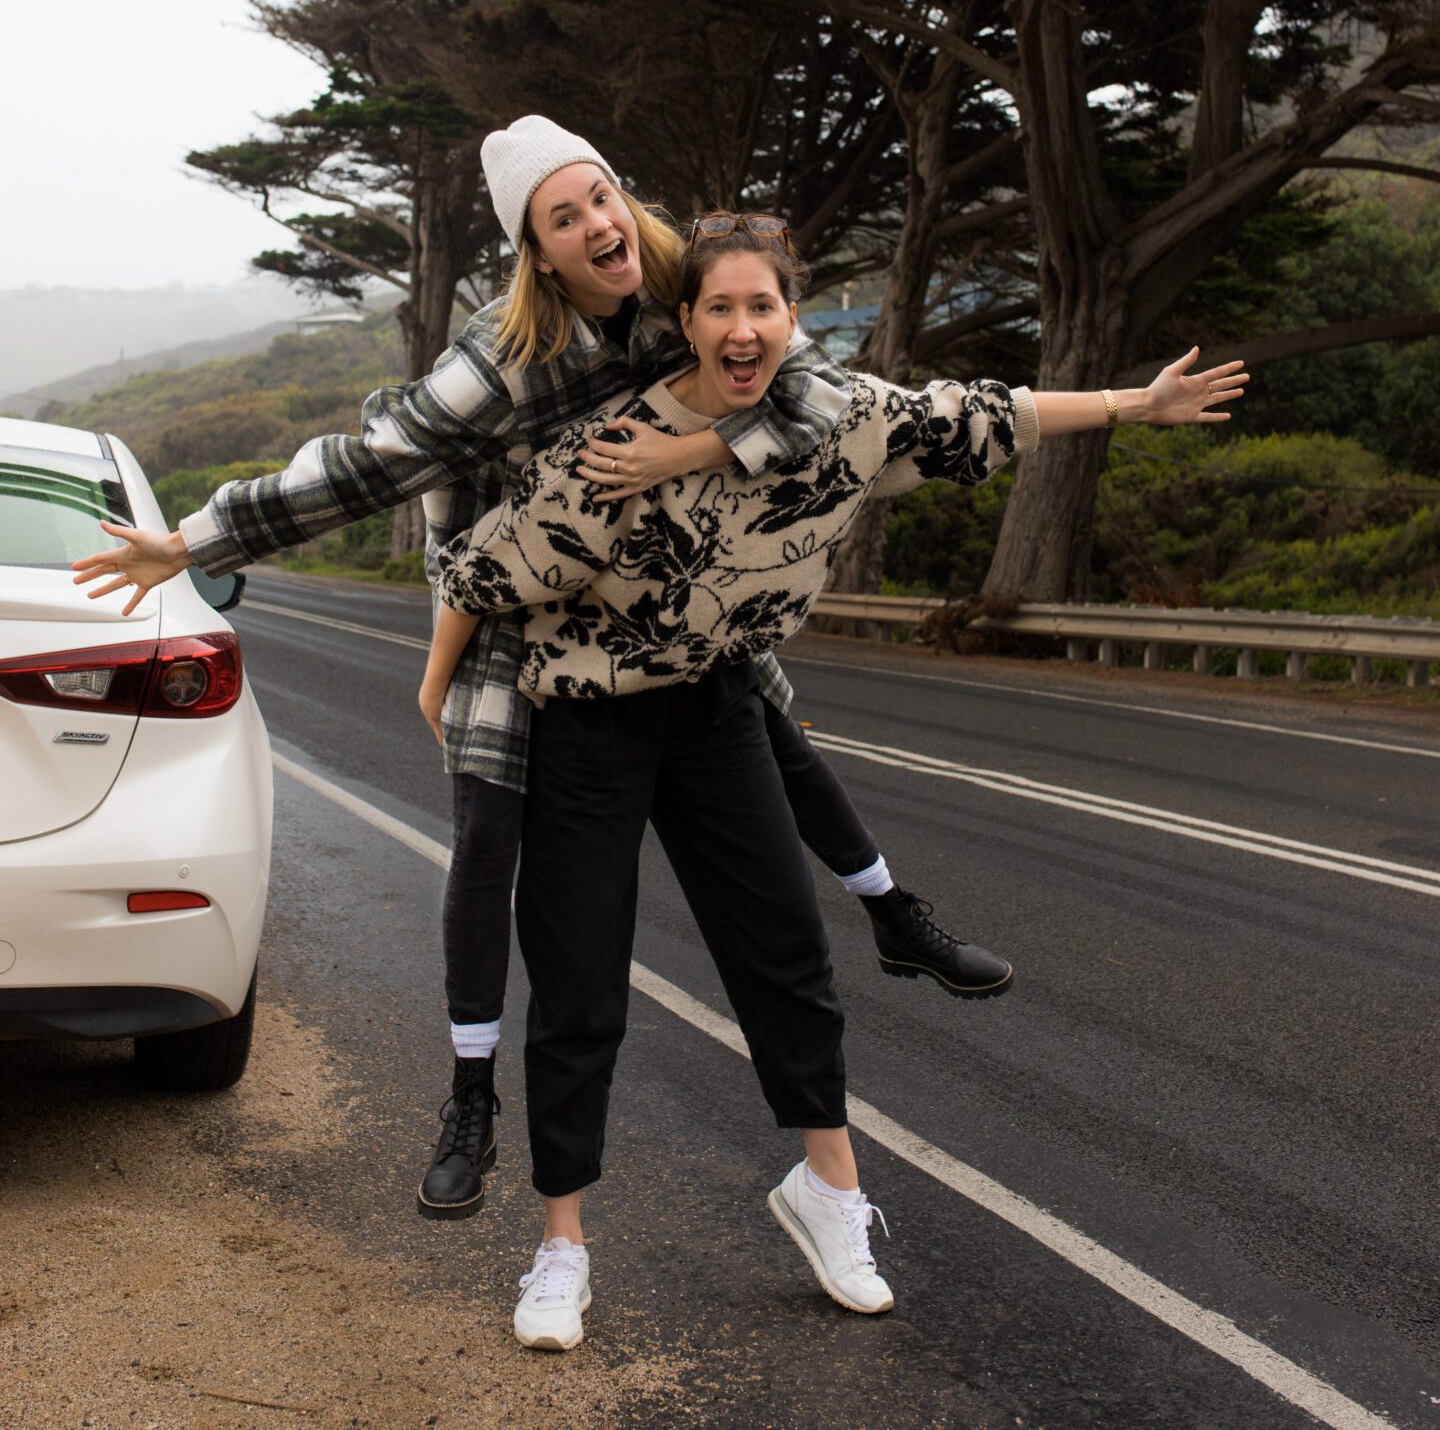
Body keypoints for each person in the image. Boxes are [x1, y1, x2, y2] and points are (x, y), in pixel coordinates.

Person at [70, 118, 1007, 1233]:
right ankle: (469, 1102)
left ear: (623, 196)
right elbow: (368, 466)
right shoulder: (504, 360)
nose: (597, 223)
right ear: (539, 250)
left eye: (601, 195)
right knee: (487, 843)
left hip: (667, 597)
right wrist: (195, 538)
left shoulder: (687, 297)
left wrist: (695, 451)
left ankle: (892, 914)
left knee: (763, 716)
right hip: (514, 615)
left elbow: (817, 395)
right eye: (564, 218)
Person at [421, 214, 1247, 1348]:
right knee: (578, 989)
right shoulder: (619, 441)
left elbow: (987, 415)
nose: (743, 327)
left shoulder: (846, 418)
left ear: (792, 319)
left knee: (787, 961)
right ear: (689, 323)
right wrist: (437, 685)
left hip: (713, 710)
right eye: (719, 308)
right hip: (590, 724)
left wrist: (1131, 405)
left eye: (763, 306)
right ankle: (561, 1247)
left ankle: (831, 1193)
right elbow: (489, 563)